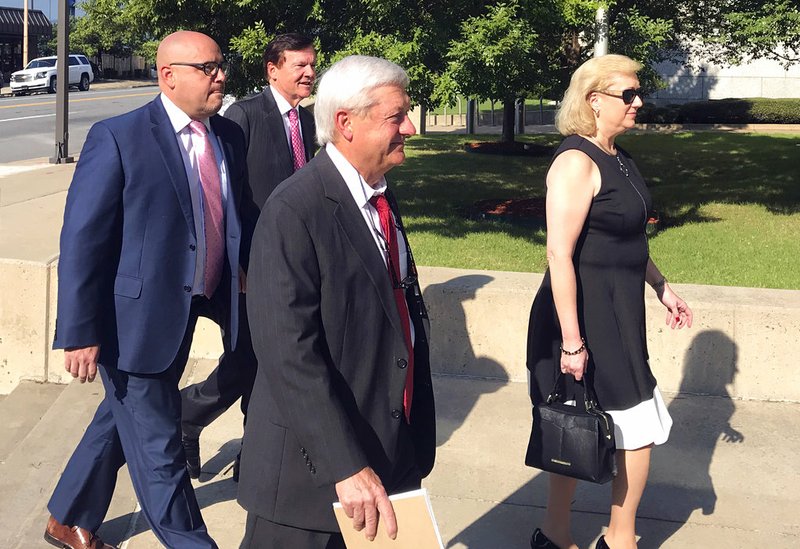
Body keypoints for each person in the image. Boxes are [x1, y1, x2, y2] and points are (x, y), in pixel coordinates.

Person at [44, 30, 256, 549]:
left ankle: (67, 516)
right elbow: (83, 240)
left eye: (220, 64)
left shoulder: (227, 135)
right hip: (131, 322)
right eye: (208, 67)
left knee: (120, 420)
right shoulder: (118, 137)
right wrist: (80, 330)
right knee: (160, 450)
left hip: (199, 300)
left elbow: (235, 216)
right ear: (169, 76)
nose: (221, 75)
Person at [237, 55, 436, 548]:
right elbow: (288, 353)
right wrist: (345, 464)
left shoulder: (379, 199)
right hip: (311, 484)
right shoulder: (294, 209)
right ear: (346, 123)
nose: (410, 128)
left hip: (390, 456)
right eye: (397, 117)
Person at [525, 54, 693, 549]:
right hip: (582, 314)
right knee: (602, 421)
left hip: (620, 309)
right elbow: (560, 253)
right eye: (628, 94)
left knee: (586, 422)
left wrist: (662, 287)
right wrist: (573, 342)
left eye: (638, 93)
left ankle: (580, 536)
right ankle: (608, 539)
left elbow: (627, 241)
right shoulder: (576, 162)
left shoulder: (618, 157)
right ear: (593, 101)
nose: (638, 102)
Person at [180, 32, 317, 482]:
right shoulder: (244, 117)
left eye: (312, 64)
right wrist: (237, 260)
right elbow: (225, 193)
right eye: (299, 65)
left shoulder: (307, 122)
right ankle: (191, 416)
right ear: (272, 69)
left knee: (269, 359)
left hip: (293, 263)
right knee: (249, 357)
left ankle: (253, 450)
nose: (309, 73)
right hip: (248, 267)